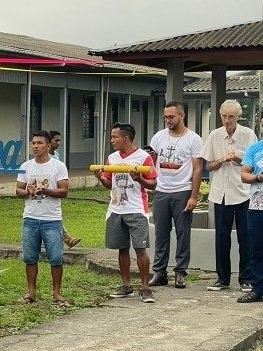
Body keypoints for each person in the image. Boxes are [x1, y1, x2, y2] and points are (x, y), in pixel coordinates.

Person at [95, 123, 158, 303]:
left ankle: (146, 288)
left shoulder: (143, 157)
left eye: (115, 137)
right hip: (116, 209)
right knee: (122, 248)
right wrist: (101, 178)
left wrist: (140, 179)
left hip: (136, 209)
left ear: (126, 138)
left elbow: (153, 183)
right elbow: (109, 183)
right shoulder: (112, 158)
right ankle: (127, 285)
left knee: (140, 248)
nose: (112, 140)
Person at [147, 101, 203, 289]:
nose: (168, 120)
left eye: (171, 117)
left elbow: (197, 169)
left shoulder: (193, 139)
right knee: (161, 233)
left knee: (182, 233)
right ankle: (159, 272)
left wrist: (193, 196)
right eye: (165, 117)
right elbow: (151, 161)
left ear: (181, 115)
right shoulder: (159, 137)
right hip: (162, 191)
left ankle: (180, 272)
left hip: (182, 191)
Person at [201, 100, 256, 292]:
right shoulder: (215, 135)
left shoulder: (248, 134)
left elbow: (256, 162)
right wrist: (221, 160)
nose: (227, 120)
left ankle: (246, 278)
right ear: (220, 115)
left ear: (238, 116)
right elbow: (208, 165)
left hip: (243, 192)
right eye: (224, 116)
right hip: (221, 192)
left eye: (231, 116)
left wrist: (237, 157)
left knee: (246, 237)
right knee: (222, 237)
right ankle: (222, 279)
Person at [17, 130, 71, 307]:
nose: (35, 146)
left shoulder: (58, 166)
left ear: (48, 146)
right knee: (30, 257)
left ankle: (57, 292)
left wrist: (46, 191)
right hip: (30, 218)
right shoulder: (26, 166)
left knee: (56, 258)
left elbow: (64, 191)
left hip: (52, 220)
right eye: (33, 143)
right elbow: (18, 190)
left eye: (39, 143)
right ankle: (31, 292)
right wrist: (28, 192)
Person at [237, 138, 263, 303]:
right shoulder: (254, 148)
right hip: (256, 205)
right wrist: (258, 178)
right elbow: (244, 174)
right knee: (256, 248)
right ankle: (258, 288)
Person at [49, 129, 81, 248]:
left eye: (59, 140)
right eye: (56, 140)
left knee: (55, 215)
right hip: (48, 191)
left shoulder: (56, 155)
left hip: (56, 190)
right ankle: (66, 238)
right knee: (53, 216)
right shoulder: (46, 156)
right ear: (49, 141)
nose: (58, 143)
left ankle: (66, 238)